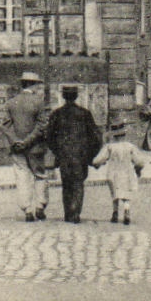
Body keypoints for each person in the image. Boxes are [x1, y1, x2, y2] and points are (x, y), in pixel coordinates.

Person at [45, 85, 102, 223]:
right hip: (80, 156)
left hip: (64, 155)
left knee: (66, 184)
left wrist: (57, 151)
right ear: (76, 96)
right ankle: (75, 212)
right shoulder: (84, 113)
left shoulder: (57, 114)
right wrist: (90, 156)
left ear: (64, 97)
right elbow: (96, 137)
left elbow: (49, 136)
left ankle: (68, 213)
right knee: (78, 183)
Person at [2, 71, 50, 222]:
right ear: (33, 85)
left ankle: (27, 210)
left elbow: (5, 126)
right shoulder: (39, 102)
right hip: (35, 147)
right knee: (40, 175)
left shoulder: (11, 103)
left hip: (17, 148)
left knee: (22, 177)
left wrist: (16, 141)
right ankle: (40, 206)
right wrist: (28, 140)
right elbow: (42, 125)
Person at [92, 121, 149, 224]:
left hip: (113, 173)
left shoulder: (110, 147)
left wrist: (98, 164)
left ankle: (115, 213)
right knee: (126, 193)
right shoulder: (129, 146)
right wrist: (138, 168)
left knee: (115, 193)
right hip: (127, 173)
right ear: (124, 134)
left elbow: (97, 160)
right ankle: (127, 212)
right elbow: (140, 161)